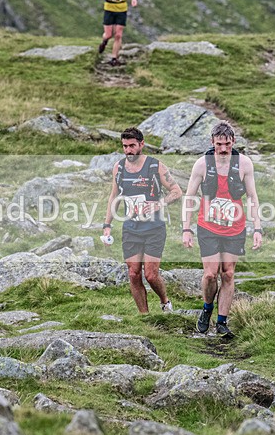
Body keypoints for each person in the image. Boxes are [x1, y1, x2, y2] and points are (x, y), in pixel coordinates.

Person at [182, 121, 263, 337]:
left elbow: (253, 198)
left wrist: (257, 228)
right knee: (210, 274)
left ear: (233, 142)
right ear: (212, 142)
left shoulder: (244, 164)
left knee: (228, 273)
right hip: (208, 227)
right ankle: (207, 309)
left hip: (234, 228)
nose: (224, 148)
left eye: (227, 143)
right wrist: (186, 229)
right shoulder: (202, 165)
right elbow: (189, 197)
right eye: (219, 144)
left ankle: (222, 322)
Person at [103, 127, 182, 313]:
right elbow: (113, 197)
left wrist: (159, 204)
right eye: (124, 146)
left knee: (151, 275)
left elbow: (177, 191)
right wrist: (107, 225)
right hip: (130, 228)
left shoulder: (155, 166)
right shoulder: (119, 168)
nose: (128, 150)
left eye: (132, 146)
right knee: (133, 274)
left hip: (154, 228)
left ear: (141, 144)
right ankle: (144, 316)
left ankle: (165, 302)